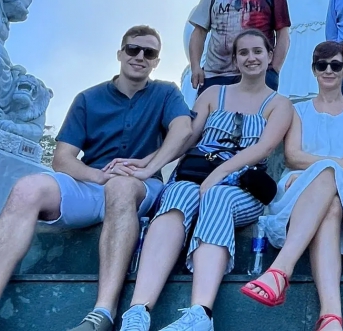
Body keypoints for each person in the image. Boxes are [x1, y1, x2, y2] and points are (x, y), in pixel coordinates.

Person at [0, 26, 194, 331]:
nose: (140, 57)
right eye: (133, 49)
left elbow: (183, 130)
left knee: (121, 187)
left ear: (156, 61)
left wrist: (148, 168)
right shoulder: (88, 98)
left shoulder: (166, 92)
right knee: (27, 188)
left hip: (139, 187)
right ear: (120, 54)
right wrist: (97, 175)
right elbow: (63, 158)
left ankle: (102, 313)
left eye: (149, 53)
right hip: (91, 181)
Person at [117, 29, 293, 331]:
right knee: (177, 196)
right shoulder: (212, 94)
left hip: (242, 186)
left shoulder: (280, 104)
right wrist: (149, 161)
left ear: (269, 56)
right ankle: (139, 310)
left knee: (216, 197)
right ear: (235, 60)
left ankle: (201, 313)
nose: (251, 57)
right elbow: (186, 137)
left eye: (257, 51)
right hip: (196, 175)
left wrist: (218, 175)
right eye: (243, 52)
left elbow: (263, 148)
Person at [240, 41, 343, 331]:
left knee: (331, 189)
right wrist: (329, 165)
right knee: (329, 197)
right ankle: (331, 317)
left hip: (341, 190)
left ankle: (279, 271)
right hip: (297, 188)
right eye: (322, 65)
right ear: (314, 70)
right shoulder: (298, 110)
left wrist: (322, 168)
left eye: (335, 65)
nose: (328, 70)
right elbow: (292, 156)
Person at [189, 0, 291, 93]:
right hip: (215, 75)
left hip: (255, 74)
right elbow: (199, 32)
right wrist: (195, 66)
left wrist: (273, 70)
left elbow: (283, 34)